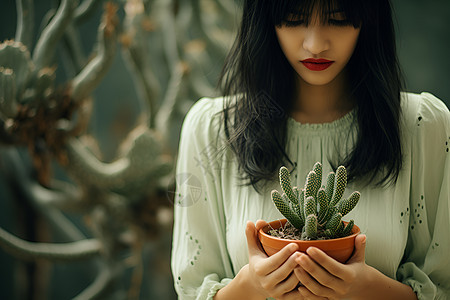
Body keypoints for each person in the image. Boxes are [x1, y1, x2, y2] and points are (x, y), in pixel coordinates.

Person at [171, 0, 450, 299]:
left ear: (369, 18)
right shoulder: (212, 130)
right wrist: (250, 284)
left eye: (339, 18)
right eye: (294, 18)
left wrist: (369, 289)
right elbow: (192, 288)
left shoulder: (422, 125)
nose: (316, 44)